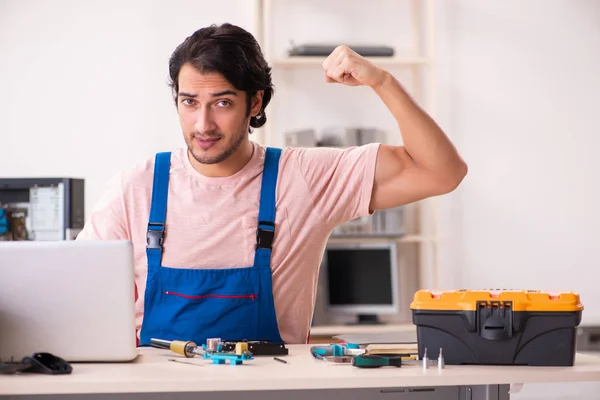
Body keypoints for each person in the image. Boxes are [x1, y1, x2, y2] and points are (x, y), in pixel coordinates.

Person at [77, 23, 467, 346]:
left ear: (256, 103)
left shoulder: (305, 178)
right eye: (190, 102)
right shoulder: (136, 187)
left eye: (223, 102)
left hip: (270, 388)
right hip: (156, 389)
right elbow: (79, 294)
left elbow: (442, 172)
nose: (203, 124)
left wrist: (382, 81)